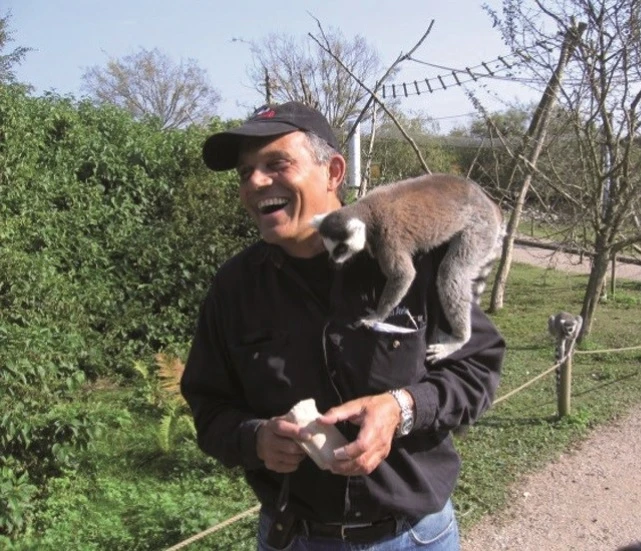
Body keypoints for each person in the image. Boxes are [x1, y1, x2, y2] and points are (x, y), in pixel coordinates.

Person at [180, 101, 505, 550]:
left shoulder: (412, 256)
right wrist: (255, 439)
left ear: (333, 172)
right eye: (244, 172)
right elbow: (208, 405)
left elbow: (477, 367)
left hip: (415, 536)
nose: (255, 182)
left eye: (277, 163)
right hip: (297, 537)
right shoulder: (235, 288)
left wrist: (403, 407)